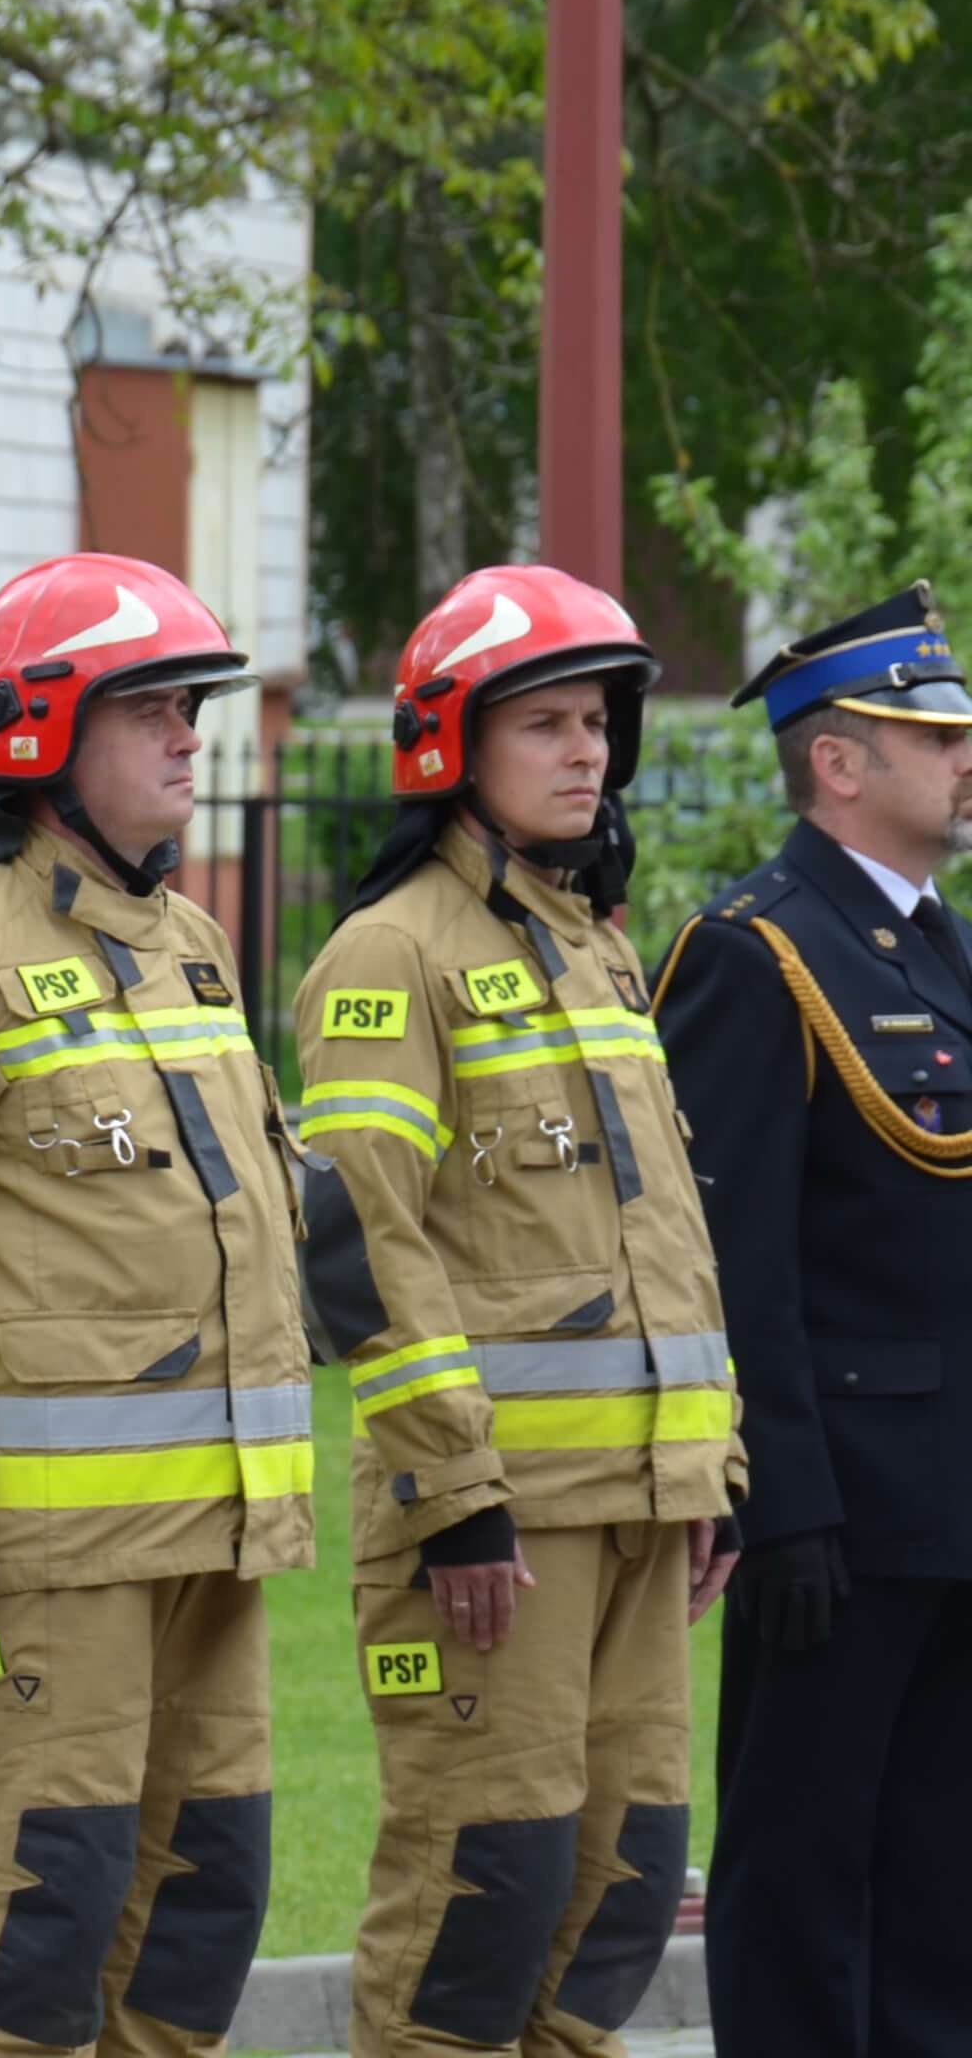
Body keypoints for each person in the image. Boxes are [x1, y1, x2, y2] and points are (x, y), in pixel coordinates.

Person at [0, 553, 311, 2058]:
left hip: (217, 1540)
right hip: (47, 1562)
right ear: (40, 735)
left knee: (200, 1913)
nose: (189, 738)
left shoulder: (193, 950)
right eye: (152, 708)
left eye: (192, 709)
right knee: (30, 1926)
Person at [290, 566, 738, 2056]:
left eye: (598, 722)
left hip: (639, 1506)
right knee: (483, 1896)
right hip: (494, 1531)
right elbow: (363, 1243)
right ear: (450, 748)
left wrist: (710, 1467)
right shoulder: (389, 955)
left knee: (613, 1896)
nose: (585, 751)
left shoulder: (595, 945)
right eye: (545, 722)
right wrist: (456, 1494)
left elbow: (662, 1231)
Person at [654, 582, 972, 2055]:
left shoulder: (939, 948)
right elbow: (735, 1258)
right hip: (839, 1514)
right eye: (934, 733)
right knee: (799, 1881)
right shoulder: (754, 954)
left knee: (938, 1889)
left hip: (952, 1497)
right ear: (837, 761)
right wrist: (779, 1505)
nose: (967, 755)